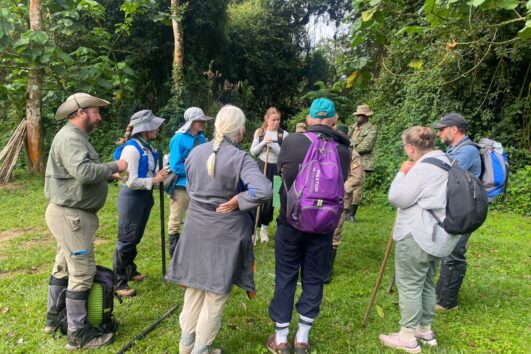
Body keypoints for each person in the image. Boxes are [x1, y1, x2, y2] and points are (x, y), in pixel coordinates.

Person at [166, 105, 272, 354]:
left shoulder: (195, 153)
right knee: (215, 294)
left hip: (195, 229)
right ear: (240, 129)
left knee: (194, 289)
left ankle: (186, 347)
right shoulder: (240, 157)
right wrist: (238, 201)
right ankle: (201, 351)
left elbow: (191, 190)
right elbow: (264, 190)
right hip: (225, 235)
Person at [44, 93, 128, 349]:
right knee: (82, 272)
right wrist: (116, 165)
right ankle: (79, 335)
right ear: (80, 111)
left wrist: (105, 174)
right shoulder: (70, 137)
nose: (99, 117)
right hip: (72, 216)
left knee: (63, 267)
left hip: (68, 213)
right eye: (95, 111)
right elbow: (82, 172)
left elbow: (82, 171)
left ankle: (54, 319)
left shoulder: (75, 137)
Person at [267, 98, 351, 353]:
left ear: (311, 119)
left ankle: (281, 339)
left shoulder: (293, 141)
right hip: (324, 227)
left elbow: (284, 176)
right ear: (334, 120)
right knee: (314, 278)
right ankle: (302, 338)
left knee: (285, 276)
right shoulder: (344, 150)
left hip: (291, 223)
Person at [379, 126, 461, 353]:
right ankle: (424, 330)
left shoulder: (422, 168)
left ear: (409, 148)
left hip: (418, 234)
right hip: (439, 236)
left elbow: (398, 198)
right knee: (425, 282)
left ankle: (407, 337)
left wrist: (402, 172)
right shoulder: (446, 160)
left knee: (409, 284)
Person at [112, 110, 168, 297]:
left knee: (135, 236)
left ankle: (130, 270)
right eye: (154, 125)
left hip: (144, 197)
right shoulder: (132, 149)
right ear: (145, 129)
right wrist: (155, 179)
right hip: (132, 198)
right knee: (127, 239)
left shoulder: (147, 146)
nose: (158, 128)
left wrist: (158, 173)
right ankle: (119, 282)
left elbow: (148, 171)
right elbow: (131, 180)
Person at [432, 113, 481, 311]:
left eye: (442, 129)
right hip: (456, 206)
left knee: (455, 252)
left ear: (454, 129)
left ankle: (447, 302)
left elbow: (445, 173)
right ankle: (440, 296)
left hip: (465, 209)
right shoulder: (455, 149)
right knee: (448, 250)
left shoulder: (467, 151)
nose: (438, 133)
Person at [167, 107, 212, 257]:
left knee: (195, 219)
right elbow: (175, 166)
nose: (203, 123)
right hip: (181, 186)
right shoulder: (178, 138)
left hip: (198, 185)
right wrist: (194, 170)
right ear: (191, 122)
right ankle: (174, 256)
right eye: (200, 120)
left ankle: (190, 252)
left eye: (203, 120)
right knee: (176, 220)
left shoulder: (202, 138)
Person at [325, 123, 365, 283]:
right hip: (323, 198)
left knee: (334, 234)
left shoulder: (351, 154)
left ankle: (327, 269)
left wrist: (340, 189)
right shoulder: (326, 149)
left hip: (340, 200)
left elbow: (357, 177)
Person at [250, 107, 288, 242]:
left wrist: (273, 146)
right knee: (257, 196)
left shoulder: (284, 135)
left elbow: (284, 155)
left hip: (276, 170)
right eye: (273, 120)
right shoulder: (260, 132)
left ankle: (264, 229)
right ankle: (253, 230)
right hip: (261, 167)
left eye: (278, 119)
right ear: (267, 119)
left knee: (272, 200)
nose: (276, 122)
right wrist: (263, 144)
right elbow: (253, 152)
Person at [348, 104, 378, 222]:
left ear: (366, 116)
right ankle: (344, 211)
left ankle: (351, 214)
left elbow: (367, 145)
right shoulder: (352, 127)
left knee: (357, 188)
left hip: (361, 160)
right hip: (348, 159)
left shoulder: (372, 128)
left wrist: (351, 148)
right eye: (356, 115)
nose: (357, 117)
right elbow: (343, 138)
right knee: (346, 185)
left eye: (360, 115)